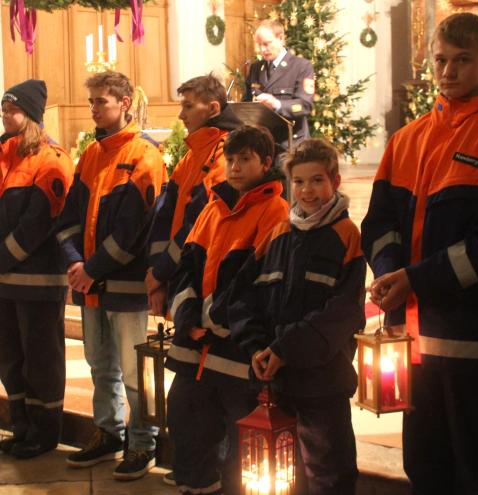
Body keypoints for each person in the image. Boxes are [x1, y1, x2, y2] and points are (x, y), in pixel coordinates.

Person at [361, 13, 478, 495]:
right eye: (440, 60)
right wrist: (391, 272)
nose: (448, 72)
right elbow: (379, 223)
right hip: (410, 344)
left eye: (463, 61)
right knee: (424, 466)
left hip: (469, 343)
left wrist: (418, 279)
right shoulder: (406, 139)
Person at [229, 138, 365, 495]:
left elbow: (343, 312)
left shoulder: (346, 236)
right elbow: (241, 297)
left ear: (334, 182)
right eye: (300, 182)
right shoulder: (277, 234)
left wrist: (286, 348)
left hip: (323, 384)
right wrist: (257, 347)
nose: (307, 190)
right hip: (276, 381)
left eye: (317, 180)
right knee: (284, 476)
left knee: (329, 473)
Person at [165, 125, 289, 495]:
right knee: (185, 421)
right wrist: (187, 317)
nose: (234, 167)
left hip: (235, 347)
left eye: (244, 159)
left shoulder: (275, 209)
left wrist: (216, 319)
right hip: (194, 345)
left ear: (265, 162)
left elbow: (258, 278)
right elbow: (187, 266)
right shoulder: (212, 207)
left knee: (239, 442)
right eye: (230, 159)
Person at [56, 71, 167, 481]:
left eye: (101, 101)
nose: (93, 109)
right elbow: (69, 217)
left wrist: (91, 269)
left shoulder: (145, 156)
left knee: (135, 373)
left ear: (123, 103)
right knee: (100, 365)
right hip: (89, 285)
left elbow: (135, 230)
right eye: (91, 103)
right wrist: (74, 263)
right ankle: (107, 432)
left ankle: (142, 444)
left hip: (125, 286)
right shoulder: (91, 154)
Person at [0, 80, 74, 458]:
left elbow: (37, 223)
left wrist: (2, 258)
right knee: (10, 358)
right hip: (5, 281)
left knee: (41, 359)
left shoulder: (52, 158)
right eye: (2, 109)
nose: (4, 115)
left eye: (10, 109)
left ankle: (45, 433)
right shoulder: (4, 154)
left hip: (39, 279)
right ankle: (22, 426)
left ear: (29, 114)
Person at [146, 74, 242, 318]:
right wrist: (157, 272)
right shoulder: (192, 155)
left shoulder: (227, 154)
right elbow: (163, 215)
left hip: (204, 276)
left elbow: (196, 223)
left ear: (213, 109)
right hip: (176, 273)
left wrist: (159, 273)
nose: (181, 115)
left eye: (188, 106)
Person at [243, 19, 315, 150]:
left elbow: (305, 105)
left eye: (266, 44)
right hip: (262, 145)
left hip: (291, 145)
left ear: (281, 38)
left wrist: (277, 104)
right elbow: (246, 103)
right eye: (259, 45)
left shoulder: (301, 66)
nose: (262, 50)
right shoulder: (255, 68)